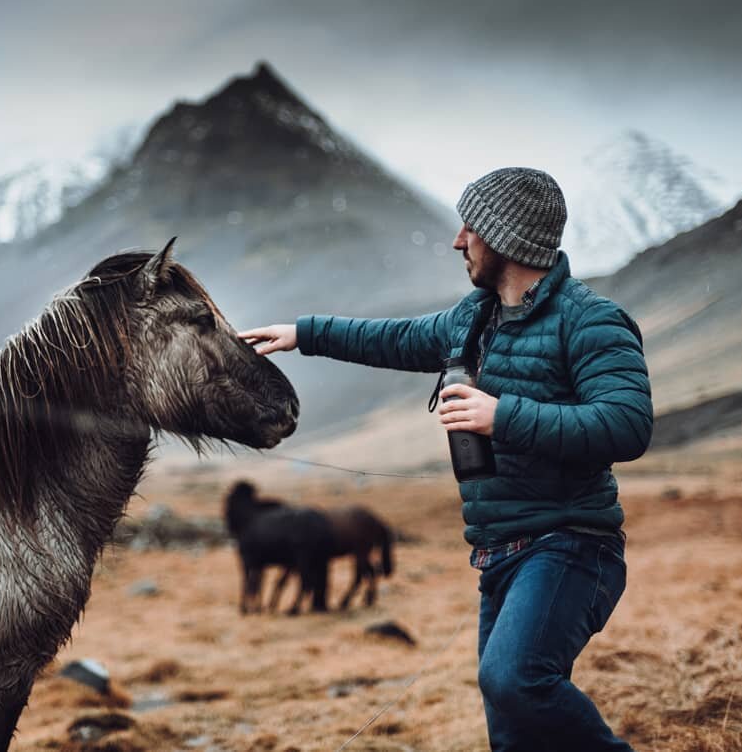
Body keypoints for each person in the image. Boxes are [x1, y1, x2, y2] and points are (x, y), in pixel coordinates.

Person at [239, 167, 652, 751]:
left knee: (516, 681)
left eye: (472, 228)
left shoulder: (591, 321)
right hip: (499, 553)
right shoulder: (473, 318)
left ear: (505, 238)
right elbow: (393, 338)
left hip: (571, 545)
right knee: (511, 734)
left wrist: (499, 415)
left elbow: (627, 425)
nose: (459, 240)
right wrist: (301, 333)